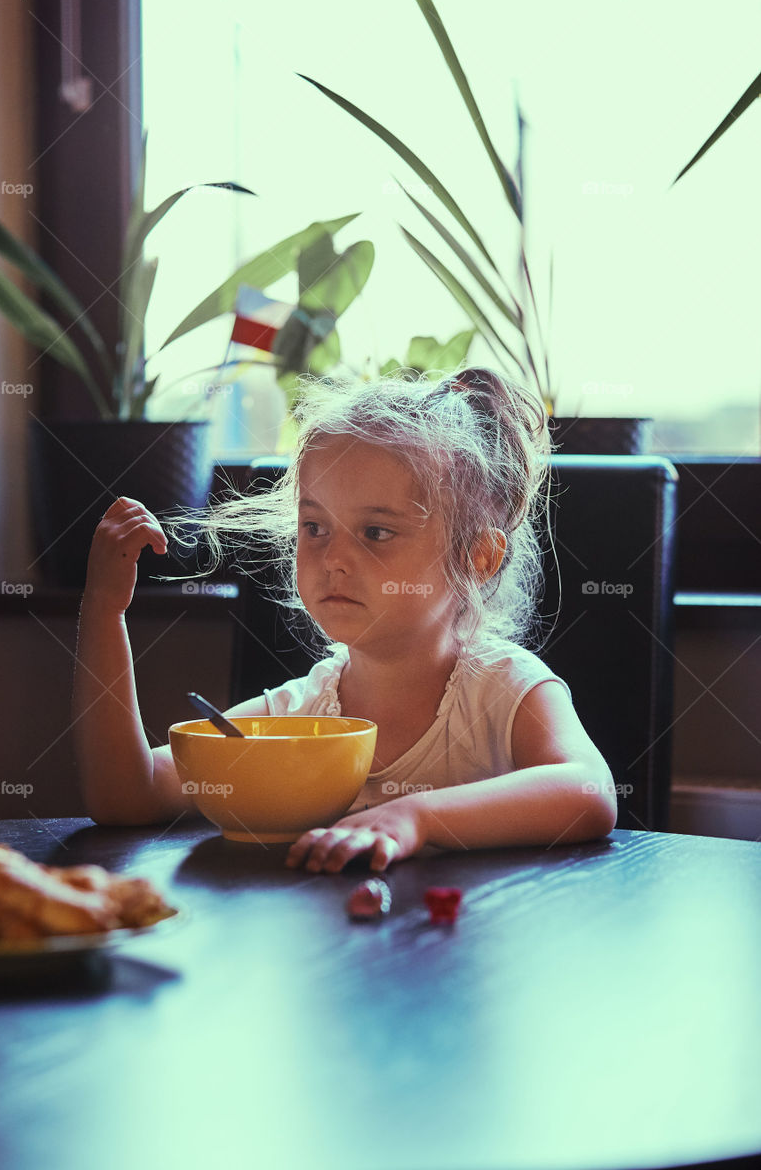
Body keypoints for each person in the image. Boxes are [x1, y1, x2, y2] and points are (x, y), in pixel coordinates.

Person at [73, 367, 617, 873]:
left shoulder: (505, 692)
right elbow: (130, 796)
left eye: (376, 532)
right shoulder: (296, 714)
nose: (333, 557)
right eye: (314, 526)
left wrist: (416, 817)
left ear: (477, 558)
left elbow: (589, 792)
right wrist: (102, 612)